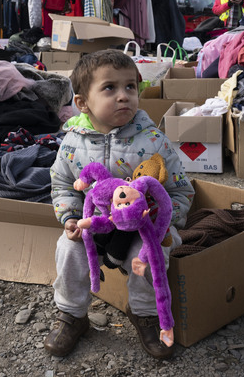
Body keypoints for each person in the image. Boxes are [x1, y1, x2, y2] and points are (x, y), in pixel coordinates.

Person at [45, 49, 195, 360]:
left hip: (142, 225)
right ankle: (73, 315)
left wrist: (162, 223)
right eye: (109, 88)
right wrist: (71, 217)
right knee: (68, 249)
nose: (124, 96)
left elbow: (181, 190)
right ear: (83, 102)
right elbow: (62, 185)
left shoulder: (153, 141)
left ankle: (144, 313)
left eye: (130, 87)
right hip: (95, 224)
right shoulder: (73, 142)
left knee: (151, 255)